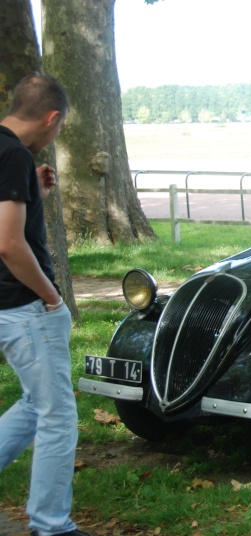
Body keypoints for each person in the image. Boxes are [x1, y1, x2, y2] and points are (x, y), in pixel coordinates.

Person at [0, 75, 88, 536]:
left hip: (5, 307)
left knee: (37, 404)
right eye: (59, 129)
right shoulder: (14, 154)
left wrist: (34, 192)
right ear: (51, 118)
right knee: (58, 416)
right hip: (26, 308)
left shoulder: (10, 159)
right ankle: (51, 526)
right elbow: (10, 245)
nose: (55, 138)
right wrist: (53, 300)